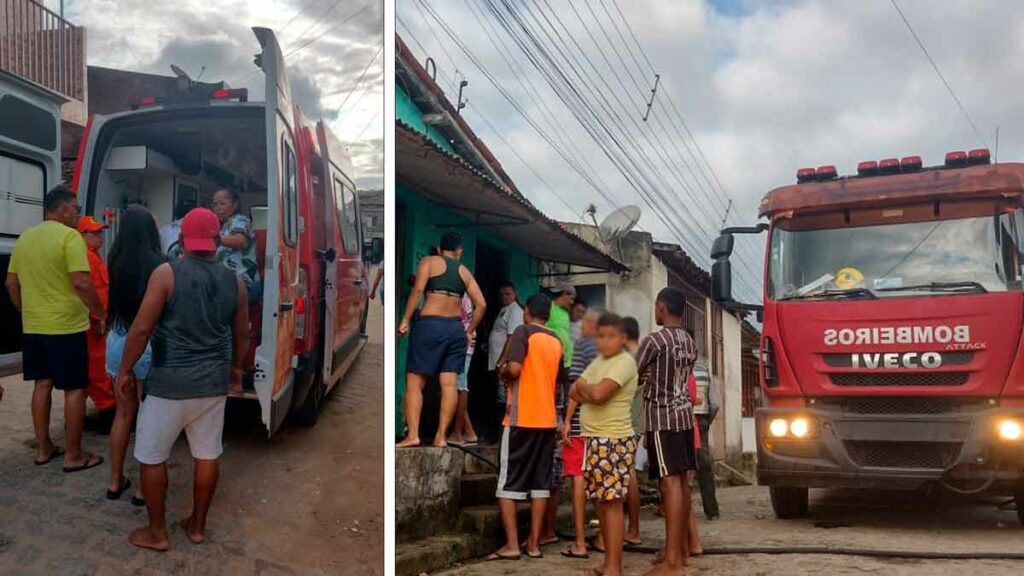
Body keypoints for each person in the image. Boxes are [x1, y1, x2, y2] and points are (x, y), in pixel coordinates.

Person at [117, 207, 248, 551]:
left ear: (183, 240)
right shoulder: (236, 282)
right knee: (207, 453)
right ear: (217, 239)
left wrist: (125, 369)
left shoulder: (166, 274)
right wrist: (235, 371)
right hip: (212, 384)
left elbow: (142, 328)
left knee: (151, 455)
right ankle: (197, 527)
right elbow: (241, 335)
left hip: (169, 384)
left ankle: (158, 533)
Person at [5, 186, 105, 472]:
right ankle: (74, 455)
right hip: (65, 326)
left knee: (42, 384)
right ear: (61, 209)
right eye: (75, 208)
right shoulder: (69, 237)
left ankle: (44, 448)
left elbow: (11, 283)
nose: (78, 213)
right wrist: (100, 313)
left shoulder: (25, 238)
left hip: (34, 326)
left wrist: (26, 310)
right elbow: (82, 282)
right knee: (75, 389)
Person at [486, 293, 564, 561]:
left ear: (527, 311)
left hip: (521, 418)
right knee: (540, 485)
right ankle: (533, 544)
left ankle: (511, 545)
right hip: (547, 420)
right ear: (549, 316)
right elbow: (558, 382)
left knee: (507, 485)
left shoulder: (523, 332)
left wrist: (504, 372)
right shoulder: (556, 341)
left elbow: (516, 368)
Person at [398, 232, 486, 448]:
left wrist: (405, 319)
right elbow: (482, 304)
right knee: (449, 385)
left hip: (430, 326)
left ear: (439, 249)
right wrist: (468, 331)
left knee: (415, 382)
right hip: (455, 329)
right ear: (459, 252)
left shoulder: (428, 262)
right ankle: (441, 437)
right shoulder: (464, 272)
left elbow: (418, 290)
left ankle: (414, 435)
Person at [569, 313, 638, 576]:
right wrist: (586, 387)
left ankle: (614, 567)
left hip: (613, 440)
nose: (605, 341)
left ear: (622, 338)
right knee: (602, 504)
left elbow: (596, 394)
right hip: (595, 439)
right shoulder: (598, 362)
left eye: (611, 336)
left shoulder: (624, 362)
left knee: (611, 504)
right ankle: (609, 563)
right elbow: (575, 391)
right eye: (601, 336)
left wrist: (586, 387)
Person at [105, 206, 166, 504]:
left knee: (122, 414)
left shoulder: (113, 260)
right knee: (148, 417)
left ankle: (115, 481)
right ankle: (144, 489)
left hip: (118, 342)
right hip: (149, 344)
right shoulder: (161, 264)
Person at [635, 287, 698, 576]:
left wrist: (642, 375)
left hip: (662, 417)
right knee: (682, 483)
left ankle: (672, 562)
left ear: (661, 308)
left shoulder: (655, 340)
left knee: (668, 484)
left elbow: (630, 373)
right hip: (685, 416)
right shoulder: (688, 340)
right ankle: (680, 552)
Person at [560, 307, 601, 560]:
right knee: (599, 481)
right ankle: (604, 538)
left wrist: (566, 421)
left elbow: (575, 387)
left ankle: (579, 543)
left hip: (579, 424)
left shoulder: (583, 347)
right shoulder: (610, 353)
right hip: (602, 426)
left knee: (577, 477)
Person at [78, 216, 116, 433]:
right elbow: (88, 291)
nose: (100, 236)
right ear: (82, 236)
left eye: (100, 232)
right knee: (97, 369)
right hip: (92, 324)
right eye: (95, 233)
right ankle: (107, 414)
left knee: (97, 368)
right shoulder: (86, 257)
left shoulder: (95, 256)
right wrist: (99, 319)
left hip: (97, 321)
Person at [211, 188, 261, 301]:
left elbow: (240, 240)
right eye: (215, 204)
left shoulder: (240, 220)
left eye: (222, 203)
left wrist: (214, 240)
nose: (218, 208)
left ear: (235, 204)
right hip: (230, 284)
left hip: (244, 284)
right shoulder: (224, 226)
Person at [488, 282, 523, 438]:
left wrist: (501, 361)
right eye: (501, 294)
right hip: (498, 361)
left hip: (504, 364)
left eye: (507, 294)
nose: (504, 297)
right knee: (499, 397)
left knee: (503, 399)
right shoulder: (504, 310)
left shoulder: (515, 311)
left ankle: (501, 435)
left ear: (514, 294)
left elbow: (511, 337)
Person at [621, 316, 644, 548]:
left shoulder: (630, 359)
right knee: (630, 473)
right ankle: (632, 527)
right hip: (638, 423)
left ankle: (633, 529)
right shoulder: (643, 356)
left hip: (629, 423)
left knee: (629, 475)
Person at [691, 357, 720, 520]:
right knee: (704, 465)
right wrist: (706, 422)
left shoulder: (674, 364)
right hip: (701, 419)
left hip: (679, 418)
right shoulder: (703, 367)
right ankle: (712, 510)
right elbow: (714, 404)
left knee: (678, 466)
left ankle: (676, 509)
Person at [448, 293, 479, 445]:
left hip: (462, 340)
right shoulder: (465, 294)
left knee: (460, 387)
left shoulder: (458, 294)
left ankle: (458, 433)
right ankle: (468, 431)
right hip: (464, 339)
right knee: (457, 387)